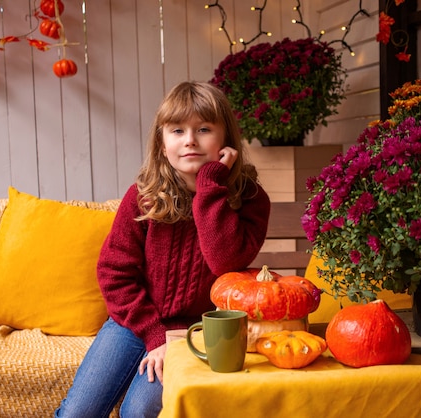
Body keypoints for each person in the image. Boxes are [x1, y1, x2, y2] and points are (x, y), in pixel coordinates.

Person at [55, 81, 271, 417]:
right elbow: (114, 273)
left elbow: (224, 261)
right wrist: (155, 335)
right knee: (77, 413)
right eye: (177, 130)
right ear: (162, 141)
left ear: (226, 139)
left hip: (197, 330)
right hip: (134, 320)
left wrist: (211, 186)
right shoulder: (143, 196)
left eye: (203, 129)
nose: (189, 140)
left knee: (138, 412)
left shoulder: (250, 200)